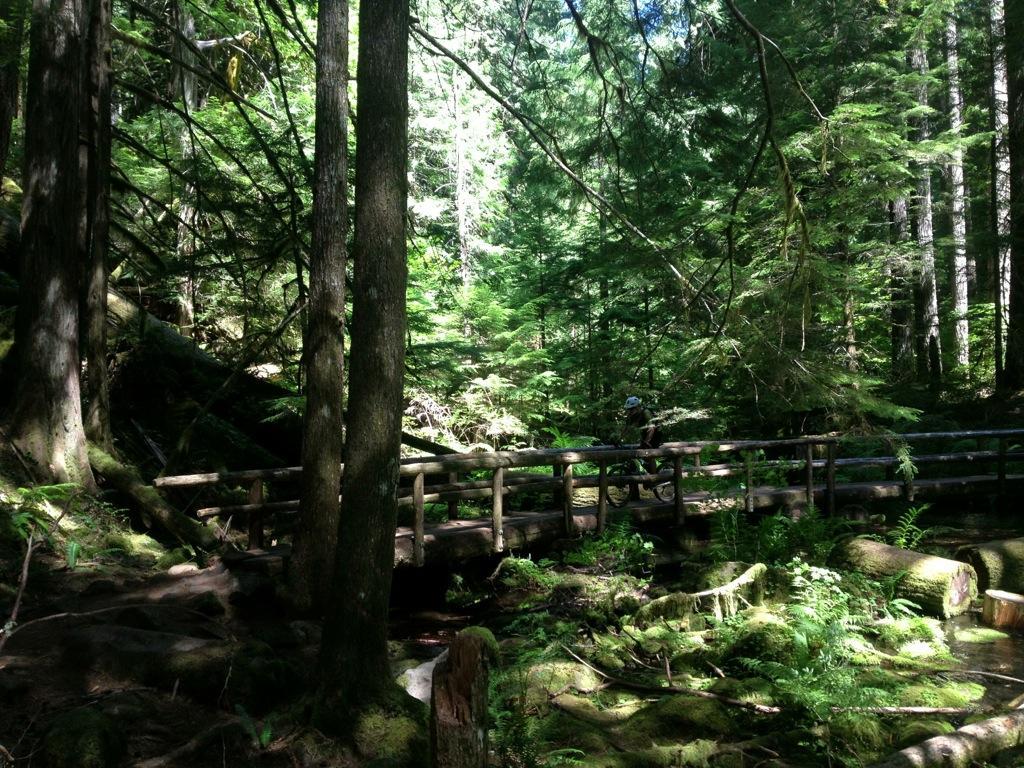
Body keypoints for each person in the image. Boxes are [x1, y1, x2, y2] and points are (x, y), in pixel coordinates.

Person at [624, 396, 662, 480]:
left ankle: (654, 478)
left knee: (649, 454)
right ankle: (645, 471)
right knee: (640, 453)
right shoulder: (631, 415)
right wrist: (619, 439)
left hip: (655, 433)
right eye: (629, 409)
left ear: (637, 407)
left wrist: (647, 441)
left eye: (631, 409)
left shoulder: (646, 412)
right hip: (645, 433)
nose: (630, 411)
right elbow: (626, 428)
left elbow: (651, 428)